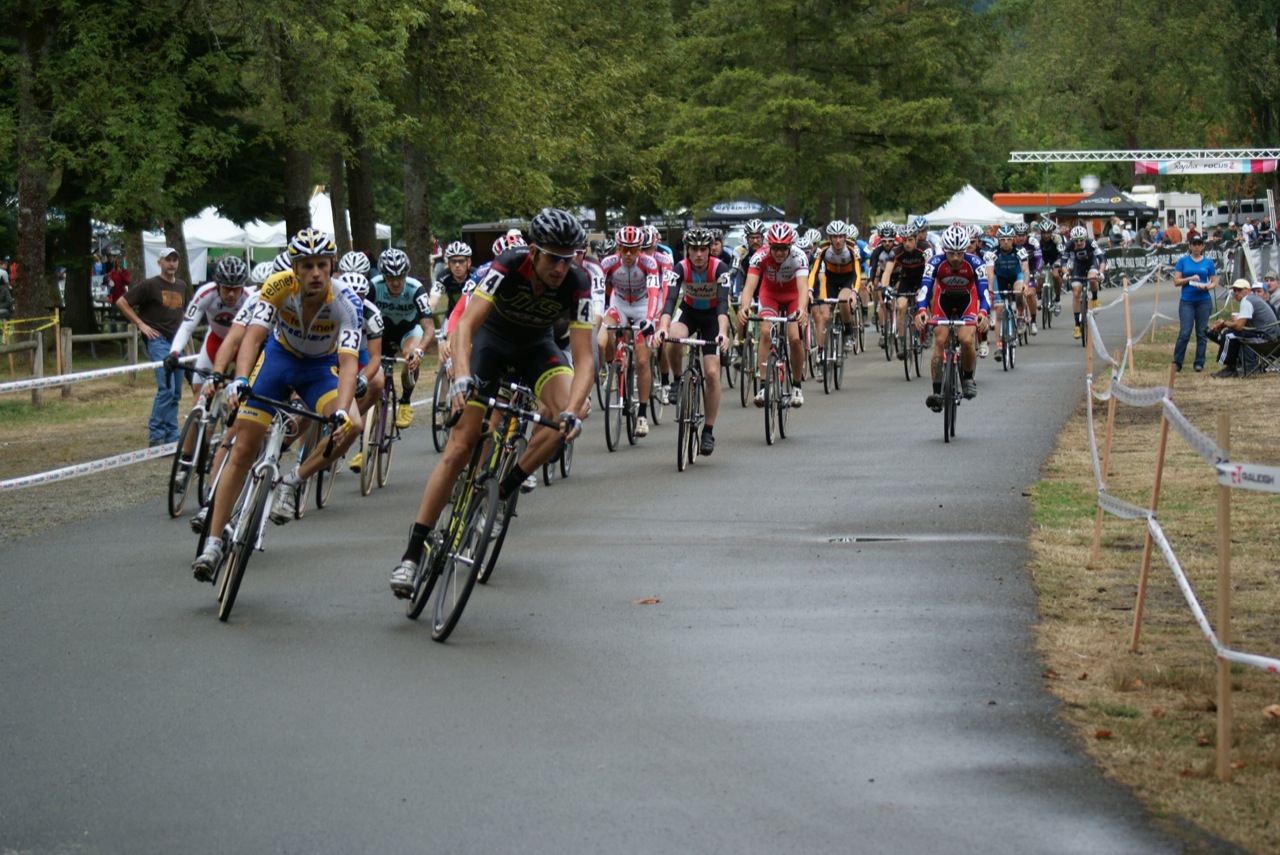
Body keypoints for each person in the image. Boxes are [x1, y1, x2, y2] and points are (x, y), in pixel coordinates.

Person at [389, 209, 593, 598]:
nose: (561, 268)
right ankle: (412, 555)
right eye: (553, 258)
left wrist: (572, 408)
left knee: (570, 411)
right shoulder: (508, 264)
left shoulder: (577, 283)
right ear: (533, 252)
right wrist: (462, 375)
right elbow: (466, 324)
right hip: (492, 343)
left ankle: (503, 491)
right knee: (460, 448)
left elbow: (584, 358)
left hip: (538, 347)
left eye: (569, 259)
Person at [192, 229, 363, 581]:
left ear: (332, 266)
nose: (316, 272)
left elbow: (348, 363)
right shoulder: (277, 285)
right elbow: (253, 338)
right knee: (243, 447)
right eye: (307, 266)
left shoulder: (347, 301)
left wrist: (343, 409)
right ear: (295, 269)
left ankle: (293, 480)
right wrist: (240, 379)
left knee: (353, 424)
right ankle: (212, 542)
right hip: (278, 360)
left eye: (322, 265)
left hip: (319, 370)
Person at [655, 227, 731, 456]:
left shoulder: (720, 268)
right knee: (673, 339)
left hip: (711, 318)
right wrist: (662, 327)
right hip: (688, 312)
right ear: (687, 251)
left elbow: (722, 304)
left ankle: (708, 431)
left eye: (703, 249)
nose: (698, 254)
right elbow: (669, 300)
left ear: (710, 250)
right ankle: (678, 380)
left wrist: (723, 333)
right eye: (694, 249)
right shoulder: (680, 268)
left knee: (711, 373)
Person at [114, 247, 188, 447]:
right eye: (168, 260)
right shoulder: (150, 285)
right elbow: (121, 302)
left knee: (176, 392)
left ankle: (172, 436)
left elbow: (182, 315)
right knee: (166, 388)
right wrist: (140, 324)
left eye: (175, 260)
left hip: (176, 343)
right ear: (160, 263)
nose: (172, 263)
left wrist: (186, 345)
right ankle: (156, 435)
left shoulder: (181, 286)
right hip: (158, 341)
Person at [915, 225, 990, 410]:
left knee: (965, 340)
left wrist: (983, 313)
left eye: (959, 253)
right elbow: (924, 290)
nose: (955, 258)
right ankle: (937, 393)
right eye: (951, 253)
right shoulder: (934, 262)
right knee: (940, 341)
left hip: (967, 300)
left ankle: (967, 378)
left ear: (965, 250)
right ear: (944, 250)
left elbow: (984, 293)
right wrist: (922, 311)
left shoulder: (975, 263)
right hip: (944, 300)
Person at [736, 221, 810, 408]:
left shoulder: (799, 256)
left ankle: (797, 385)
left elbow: (803, 288)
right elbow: (749, 286)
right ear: (769, 245)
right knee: (765, 332)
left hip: (793, 295)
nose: (778, 253)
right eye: (775, 248)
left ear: (790, 246)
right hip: (770, 294)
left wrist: (801, 309)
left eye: (783, 248)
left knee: (794, 338)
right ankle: (763, 385)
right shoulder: (759, 256)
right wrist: (744, 307)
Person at [369, 248, 433, 430]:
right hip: (382, 330)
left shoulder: (416, 289)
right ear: (383, 276)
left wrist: (420, 350)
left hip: (409, 330)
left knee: (410, 354)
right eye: (390, 279)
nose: (396, 283)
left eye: (400, 278)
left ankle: (405, 401)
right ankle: (365, 446)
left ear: (406, 275)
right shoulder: (373, 286)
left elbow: (428, 327)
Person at [1206, 279, 1279, 377]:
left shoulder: (1247, 300)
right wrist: (1225, 324)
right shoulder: (1252, 299)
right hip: (1271, 336)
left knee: (1229, 335)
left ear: (1248, 290)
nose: (1236, 293)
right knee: (1232, 333)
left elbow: (1239, 326)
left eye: (1239, 290)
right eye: (1234, 290)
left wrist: (1224, 323)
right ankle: (1237, 366)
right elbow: (1241, 325)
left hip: (1266, 338)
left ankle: (1230, 369)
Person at [1170, 232, 1216, 372]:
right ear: (1190, 246)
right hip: (1187, 301)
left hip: (1203, 300)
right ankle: (1177, 362)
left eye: (1199, 245)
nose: (1196, 247)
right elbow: (1176, 281)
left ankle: (1199, 362)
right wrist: (1189, 279)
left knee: (1202, 332)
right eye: (1194, 244)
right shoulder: (1183, 261)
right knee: (1185, 332)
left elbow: (1214, 282)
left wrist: (1206, 286)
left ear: (1202, 247)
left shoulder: (1208, 262)